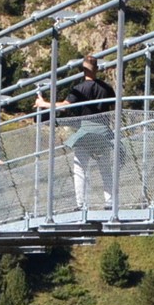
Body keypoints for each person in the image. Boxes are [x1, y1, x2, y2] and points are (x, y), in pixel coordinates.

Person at [36, 55, 116, 211]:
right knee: (105, 169)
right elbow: (115, 106)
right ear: (97, 69)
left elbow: (64, 106)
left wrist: (42, 103)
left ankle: (81, 204)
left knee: (80, 167)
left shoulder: (79, 89)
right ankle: (110, 202)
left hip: (86, 132)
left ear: (82, 70)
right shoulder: (106, 88)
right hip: (103, 131)